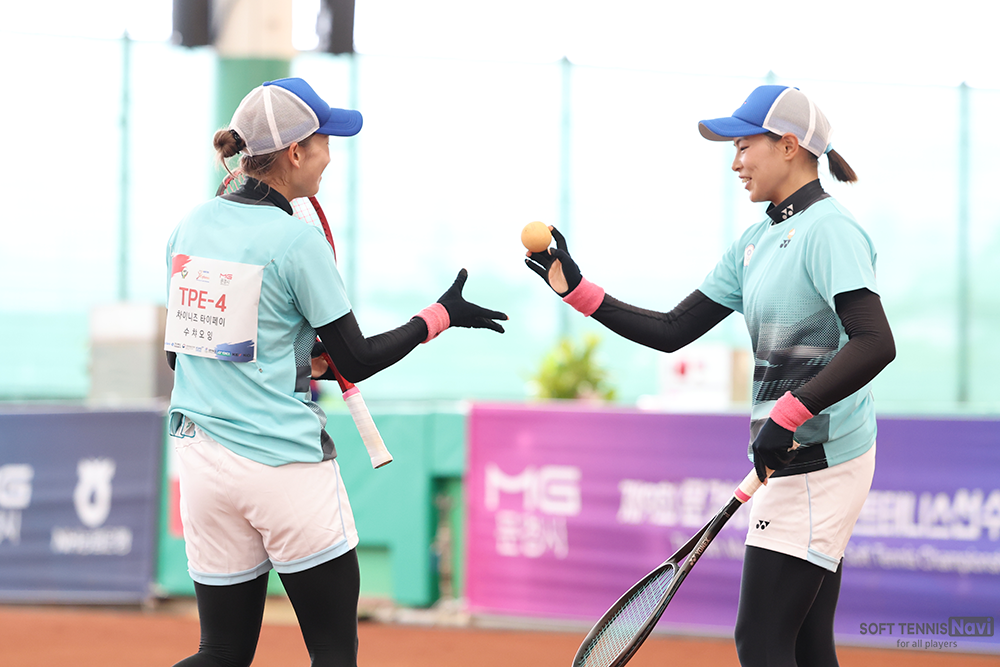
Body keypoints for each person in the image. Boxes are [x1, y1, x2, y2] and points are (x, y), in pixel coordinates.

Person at [525, 85, 895, 667]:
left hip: (820, 459)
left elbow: (875, 342)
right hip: (795, 456)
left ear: (789, 146)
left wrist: (790, 413)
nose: (735, 162)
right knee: (803, 642)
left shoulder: (830, 230)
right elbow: (673, 329)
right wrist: (578, 291)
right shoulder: (755, 241)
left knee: (760, 640)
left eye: (745, 146)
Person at [164, 77, 507, 667]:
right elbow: (359, 360)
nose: (329, 155)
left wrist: (301, 360)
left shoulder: (188, 227)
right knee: (332, 655)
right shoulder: (296, 241)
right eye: (325, 141)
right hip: (282, 466)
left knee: (219, 654)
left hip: (202, 465)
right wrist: (440, 315)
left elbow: (188, 352)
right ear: (296, 152)